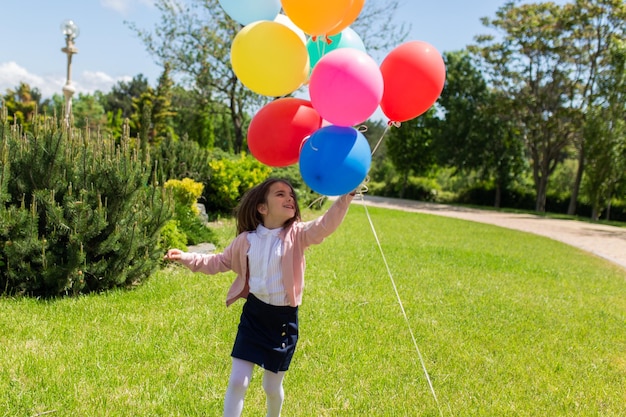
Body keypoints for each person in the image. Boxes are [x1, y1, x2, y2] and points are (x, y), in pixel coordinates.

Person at [164, 178, 355, 417]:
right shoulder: (246, 240)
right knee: (238, 382)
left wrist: (345, 198)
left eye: (291, 195)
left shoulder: (297, 235)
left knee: (271, 387)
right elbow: (219, 261)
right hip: (253, 317)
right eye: (280, 194)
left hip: (283, 322)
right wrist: (186, 257)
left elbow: (324, 225)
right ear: (262, 208)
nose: (289, 198)